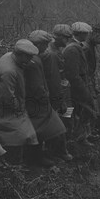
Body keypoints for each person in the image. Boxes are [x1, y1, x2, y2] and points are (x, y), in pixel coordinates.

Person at [0, 40, 40, 165]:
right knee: (22, 133)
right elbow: (7, 99)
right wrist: (20, 110)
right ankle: (14, 164)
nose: (30, 60)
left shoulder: (9, 56)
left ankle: (14, 160)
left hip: (1, 103)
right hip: (0, 109)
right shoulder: (9, 71)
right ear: (20, 54)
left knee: (25, 129)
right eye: (28, 57)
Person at [25, 30, 72, 165]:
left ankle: (51, 154)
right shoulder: (44, 57)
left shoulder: (36, 57)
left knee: (49, 128)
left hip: (40, 98)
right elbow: (51, 80)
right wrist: (57, 100)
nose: (46, 47)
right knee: (50, 128)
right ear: (38, 44)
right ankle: (45, 157)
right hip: (41, 99)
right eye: (44, 44)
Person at [64, 22, 96, 146]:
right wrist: (84, 91)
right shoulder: (72, 49)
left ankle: (82, 136)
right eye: (86, 33)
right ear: (81, 34)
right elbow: (73, 75)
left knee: (82, 111)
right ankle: (78, 138)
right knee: (78, 112)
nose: (88, 36)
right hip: (75, 88)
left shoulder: (77, 46)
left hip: (79, 85)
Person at [85, 23, 100, 96]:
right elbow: (87, 70)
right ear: (95, 34)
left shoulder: (91, 46)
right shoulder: (87, 48)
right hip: (88, 83)